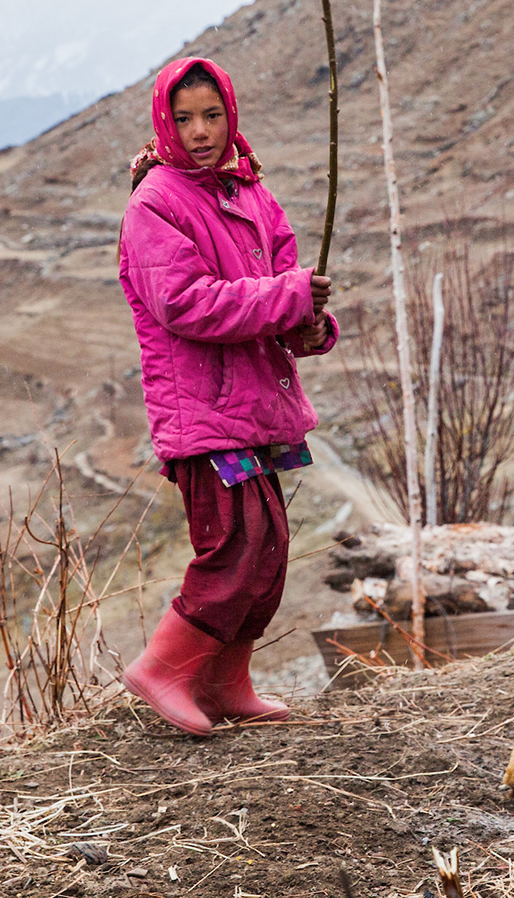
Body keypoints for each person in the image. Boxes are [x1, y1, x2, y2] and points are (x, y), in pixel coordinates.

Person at [116, 55, 338, 734]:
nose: (200, 131)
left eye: (212, 115)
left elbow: (282, 282)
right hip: (204, 411)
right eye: (184, 119)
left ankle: (223, 681)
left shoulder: (250, 194)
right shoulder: (154, 205)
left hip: (251, 408)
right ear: (165, 123)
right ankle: (161, 669)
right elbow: (184, 303)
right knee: (236, 545)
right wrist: (286, 296)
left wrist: (308, 323)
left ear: (230, 115)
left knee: (268, 552)